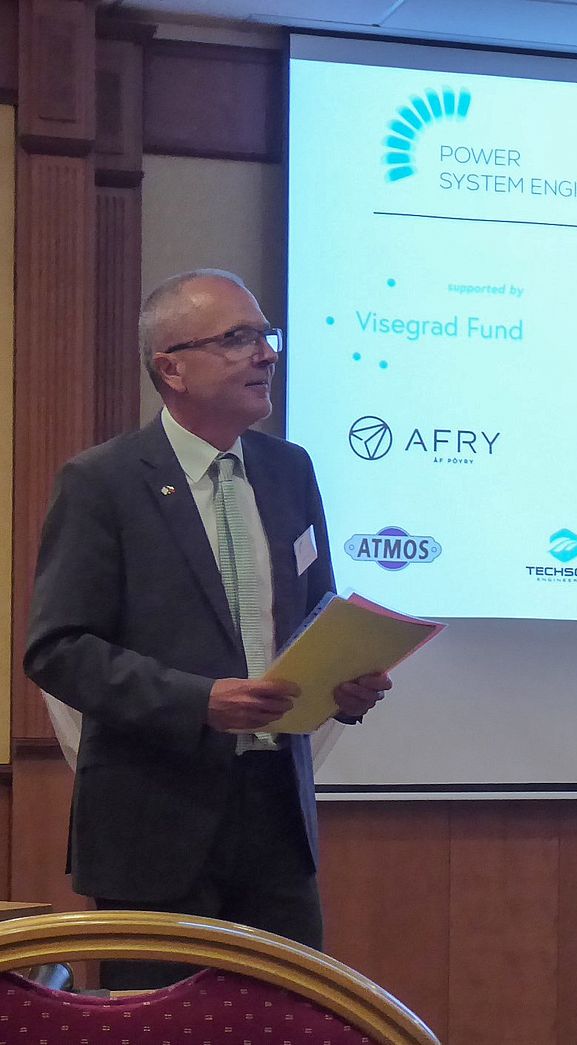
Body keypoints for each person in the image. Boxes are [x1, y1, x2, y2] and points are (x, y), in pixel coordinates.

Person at [24, 269, 389, 989]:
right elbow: (58, 650)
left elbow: (317, 618)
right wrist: (200, 701)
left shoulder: (290, 471)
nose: (265, 353)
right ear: (172, 369)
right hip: (154, 825)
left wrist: (343, 683)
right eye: (238, 338)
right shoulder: (103, 482)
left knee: (286, 1023)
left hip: (276, 820)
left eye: (266, 335)